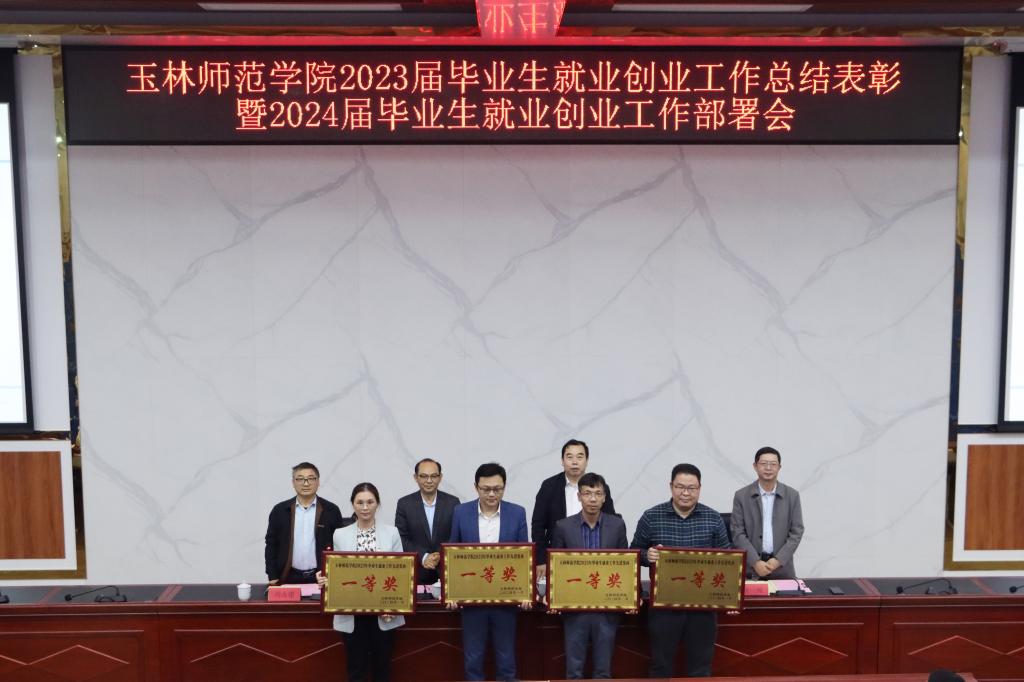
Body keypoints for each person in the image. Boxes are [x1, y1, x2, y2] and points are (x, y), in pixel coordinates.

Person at [630, 463, 730, 678]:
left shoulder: (713, 518)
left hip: (703, 606)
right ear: (671, 487)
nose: (686, 493)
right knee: (661, 666)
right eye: (680, 487)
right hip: (664, 606)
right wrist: (648, 555)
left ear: (699, 489)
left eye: (691, 488)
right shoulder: (651, 516)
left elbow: (729, 560)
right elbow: (633, 553)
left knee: (700, 668)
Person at [449, 462, 530, 682]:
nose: (492, 494)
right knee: (473, 659)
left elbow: (524, 556)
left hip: (505, 599)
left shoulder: (517, 513)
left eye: (497, 489)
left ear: (504, 487)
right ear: (476, 487)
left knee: (506, 659)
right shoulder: (461, 512)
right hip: (471, 599)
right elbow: (452, 554)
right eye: (486, 489)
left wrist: (526, 592)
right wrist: (452, 592)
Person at [317, 483, 404, 682]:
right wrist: (325, 576)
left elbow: (401, 571)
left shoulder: (392, 533)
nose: (365, 507)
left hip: (384, 611)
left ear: (377, 504)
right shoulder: (340, 534)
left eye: (370, 502)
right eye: (360, 502)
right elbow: (338, 571)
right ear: (353, 505)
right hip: (352, 611)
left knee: (382, 669)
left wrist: (393, 605)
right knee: (356, 669)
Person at [550, 472, 629, 680]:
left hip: (606, 609)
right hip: (575, 609)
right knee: (574, 671)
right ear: (579, 496)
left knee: (603, 671)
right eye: (587, 493)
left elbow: (626, 564)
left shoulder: (617, 525)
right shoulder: (563, 526)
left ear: (604, 497)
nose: (592, 499)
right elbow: (555, 567)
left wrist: (632, 595)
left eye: (598, 494)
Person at [532, 439, 617, 577]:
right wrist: (540, 560)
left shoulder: (600, 486)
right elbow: (538, 526)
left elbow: (611, 522)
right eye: (570, 457)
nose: (575, 462)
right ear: (562, 460)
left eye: (580, 457)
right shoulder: (549, 486)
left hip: (594, 554)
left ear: (587, 460)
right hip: (559, 554)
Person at [264, 462, 347, 585]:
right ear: (293, 483)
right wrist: (272, 575)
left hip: (321, 577)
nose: (306, 483)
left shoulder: (331, 510)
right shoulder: (280, 511)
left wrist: (332, 574)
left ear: (318, 482)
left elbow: (339, 546)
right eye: (300, 479)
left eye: (311, 478)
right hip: (288, 576)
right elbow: (271, 545)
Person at [730, 446, 804, 580]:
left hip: (782, 568)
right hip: (751, 568)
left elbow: (797, 531)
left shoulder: (792, 495)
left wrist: (778, 560)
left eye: (773, 464)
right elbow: (737, 532)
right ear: (755, 466)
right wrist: (755, 562)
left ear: (779, 467)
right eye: (763, 463)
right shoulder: (741, 496)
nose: (768, 468)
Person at [394, 458, 460, 586]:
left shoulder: (453, 503)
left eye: (434, 476)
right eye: (424, 476)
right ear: (415, 477)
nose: (429, 481)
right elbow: (401, 537)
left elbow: (456, 536)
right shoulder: (404, 504)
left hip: (446, 571)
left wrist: (440, 554)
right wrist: (423, 556)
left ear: (440, 477)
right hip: (417, 572)